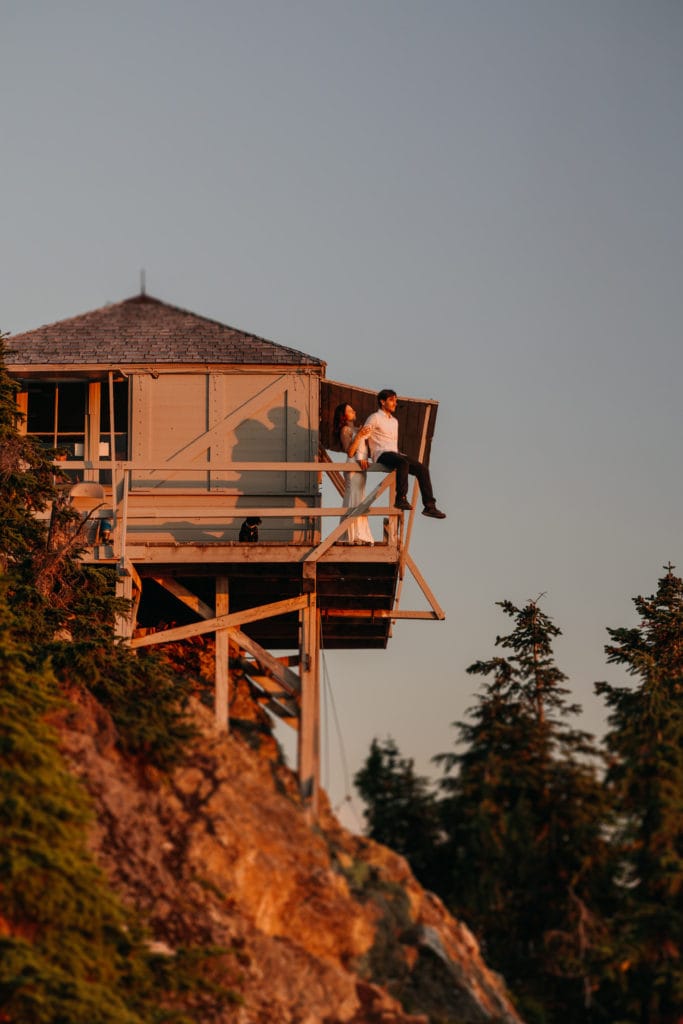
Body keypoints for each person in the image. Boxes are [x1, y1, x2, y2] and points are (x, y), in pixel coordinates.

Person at [363, 389, 446, 519]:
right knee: (402, 463)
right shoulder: (374, 418)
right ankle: (400, 498)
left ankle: (430, 506)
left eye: (395, 400)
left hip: (394, 453)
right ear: (382, 401)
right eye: (391, 400)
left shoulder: (394, 421)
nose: (395, 403)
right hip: (381, 454)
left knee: (422, 468)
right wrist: (362, 457)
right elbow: (363, 437)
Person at [332, 402, 374, 545]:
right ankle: (350, 534)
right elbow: (349, 451)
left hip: (362, 467)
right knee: (352, 497)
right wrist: (359, 436)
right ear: (344, 416)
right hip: (352, 466)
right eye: (350, 410)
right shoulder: (345, 430)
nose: (354, 411)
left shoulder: (358, 428)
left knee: (360, 498)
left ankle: (360, 533)